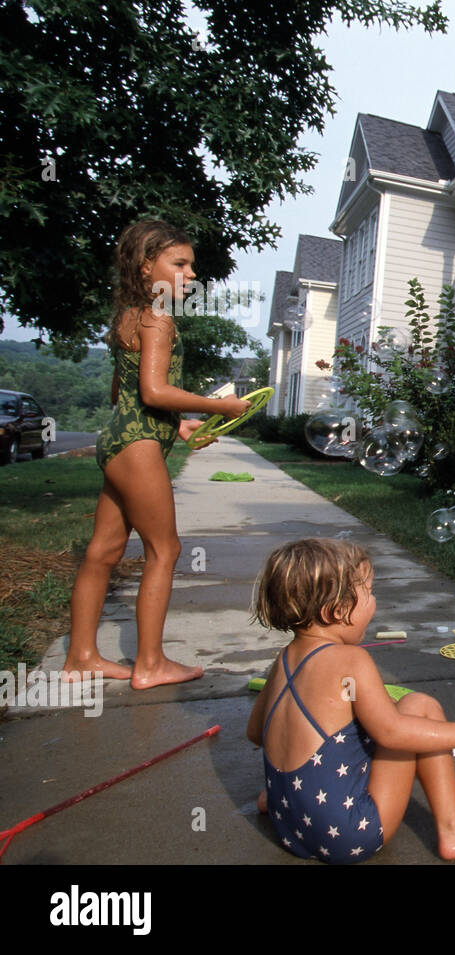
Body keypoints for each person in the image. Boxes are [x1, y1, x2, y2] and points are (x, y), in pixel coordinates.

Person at [246, 537, 455, 863]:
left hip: (290, 826)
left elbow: (256, 733)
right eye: (369, 592)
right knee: (418, 707)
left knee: (352, 734)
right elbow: (393, 733)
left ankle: (287, 798)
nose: (374, 602)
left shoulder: (283, 660)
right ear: (337, 611)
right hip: (347, 834)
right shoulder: (351, 661)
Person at [65, 220, 249, 689]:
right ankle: (149, 664)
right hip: (138, 448)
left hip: (118, 441)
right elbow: (154, 390)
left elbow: (123, 394)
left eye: (192, 267)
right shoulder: (158, 319)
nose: (191, 275)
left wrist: (181, 426)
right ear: (147, 266)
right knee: (164, 550)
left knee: (102, 552)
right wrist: (218, 405)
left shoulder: (129, 316)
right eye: (180, 264)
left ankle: (81, 656)